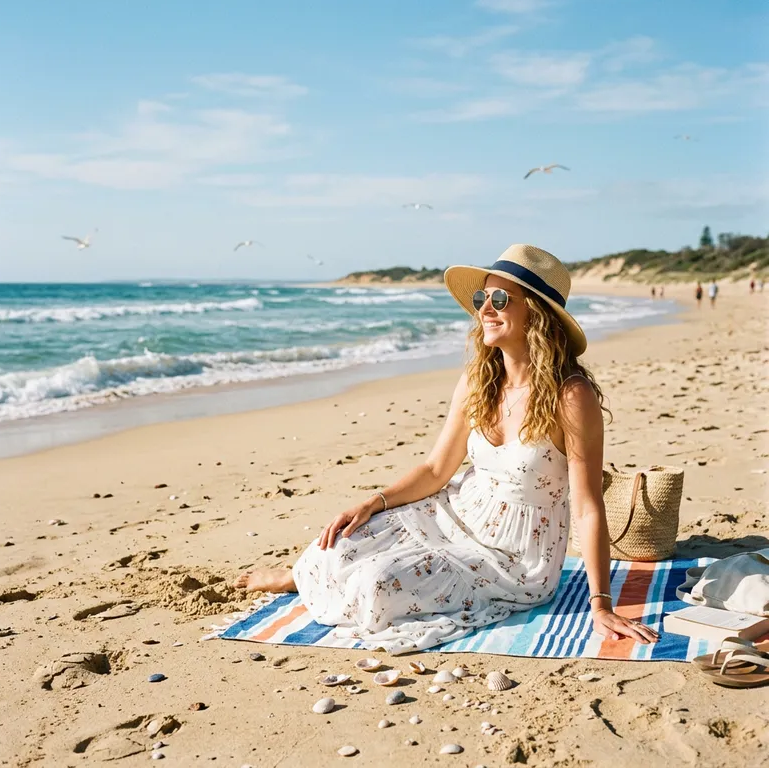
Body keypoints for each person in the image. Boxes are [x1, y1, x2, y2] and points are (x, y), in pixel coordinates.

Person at [237, 245, 659, 653]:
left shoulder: (571, 395)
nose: (484, 309)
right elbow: (438, 469)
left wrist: (600, 604)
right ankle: (300, 578)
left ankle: (318, 582)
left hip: (514, 556)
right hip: (455, 511)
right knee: (334, 547)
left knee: (377, 585)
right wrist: (373, 502)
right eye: (481, 297)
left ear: (536, 312)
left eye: (498, 298)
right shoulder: (479, 381)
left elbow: (586, 505)